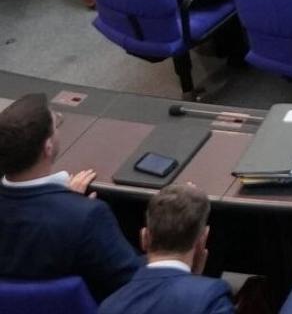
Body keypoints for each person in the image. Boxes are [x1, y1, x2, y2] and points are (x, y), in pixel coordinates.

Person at [0, 92, 140, 300]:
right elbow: (134, 283)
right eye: (56, 126)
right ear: (47, 147)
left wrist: (65, 201)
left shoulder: (75, 212)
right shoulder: (86, 216)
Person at [97, 182, 233, 314]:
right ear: (202, 241)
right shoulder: (210, 296)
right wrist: (195, 282)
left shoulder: (109, 305)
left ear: (144, 238)